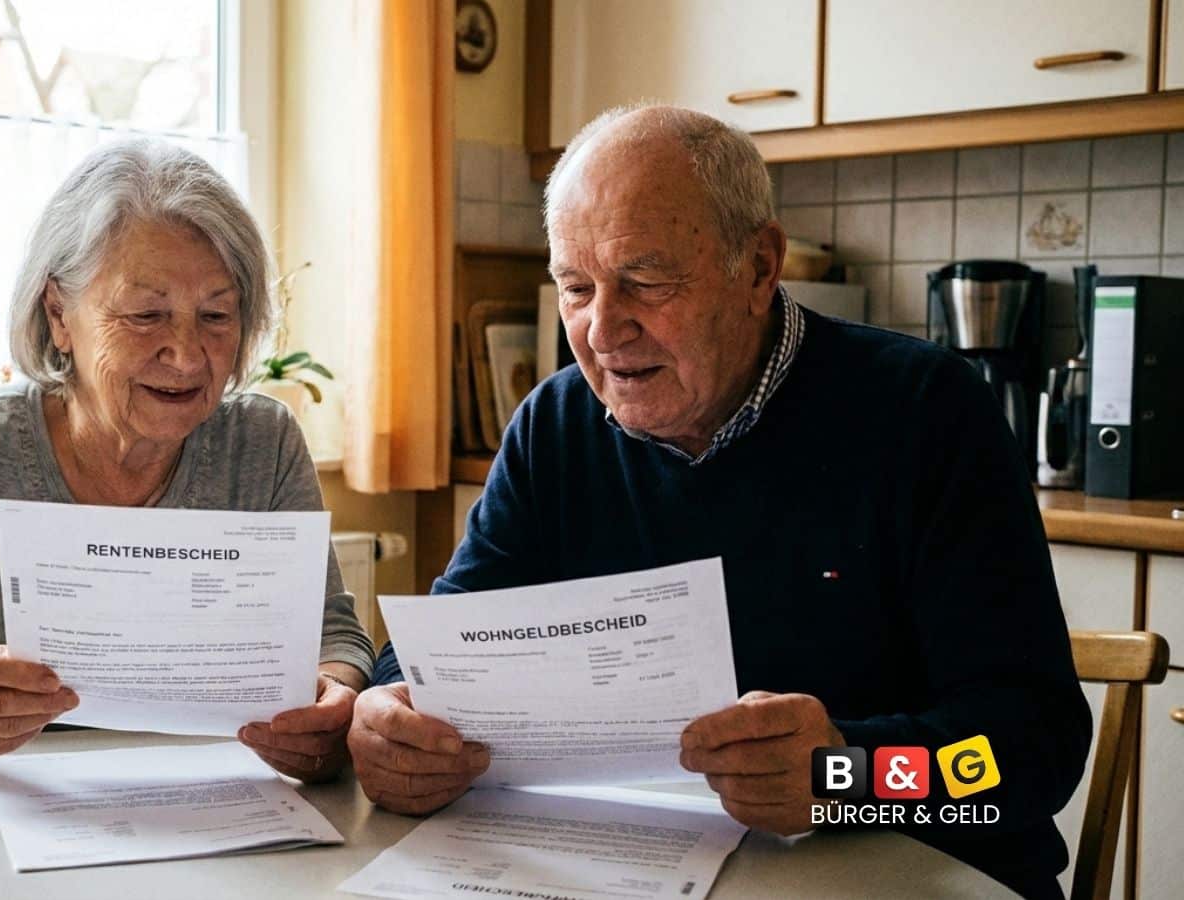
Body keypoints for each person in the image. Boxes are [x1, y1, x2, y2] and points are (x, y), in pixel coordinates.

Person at [348, 105, 1089, 898]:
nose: (603, 330)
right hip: (638, 867)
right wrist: (391, 713)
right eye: (576, 286)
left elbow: (1032, 751)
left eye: (645, 280)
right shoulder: (556, 426)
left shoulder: (927, 413)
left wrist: (848, 772)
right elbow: (452, 644)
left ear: (760, 268)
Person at [0, 140, 373, 781]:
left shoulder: (262, 444)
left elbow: (333, 638)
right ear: (59, 314)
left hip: (219, 812)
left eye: (216, 316)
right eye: (146, 315)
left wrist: (331, 701)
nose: (186, 354)